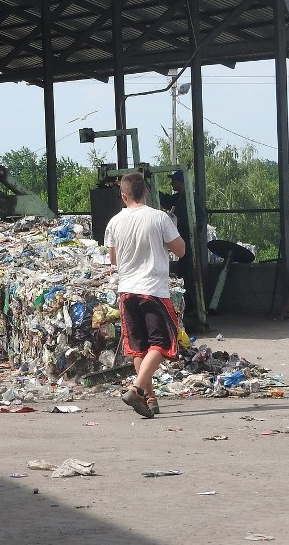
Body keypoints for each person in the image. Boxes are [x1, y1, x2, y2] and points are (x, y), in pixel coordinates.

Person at [105, 172, 185, 418]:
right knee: (162, 344)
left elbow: (113, 258)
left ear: (123, 195)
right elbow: (180, 250)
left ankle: (149, 400)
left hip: (127, 292)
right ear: (146, 192)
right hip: (153, 291)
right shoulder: (159, 218)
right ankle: (137, 389)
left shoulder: (114, 222)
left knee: (139, 348)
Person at [160, 169, 206, 315]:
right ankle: (188, 305)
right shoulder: (179, 198)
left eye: (173, 181)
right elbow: (165, 200)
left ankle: (193, 307)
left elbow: (200, 219)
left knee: (190, 274)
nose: (171, 183)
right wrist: (147, 185)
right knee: (183, 272)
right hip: (184, 240)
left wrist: (189, 233)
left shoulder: (191, 199)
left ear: (180, 182)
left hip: (191, 241)